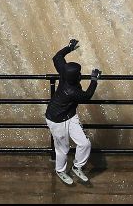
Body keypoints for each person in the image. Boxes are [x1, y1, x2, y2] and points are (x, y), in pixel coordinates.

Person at [44, 38, 102, 185]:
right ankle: (60, 170)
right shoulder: (71, 91)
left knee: (84, 144)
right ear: (76, 77)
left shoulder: (63, 71)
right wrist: (94, 80)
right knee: (62, 149)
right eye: (80, 74)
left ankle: (77, 167)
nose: (81, 75)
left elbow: (57, 57)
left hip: (69, 115)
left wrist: (69, 48)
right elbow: (87, 96)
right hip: (56, 120)